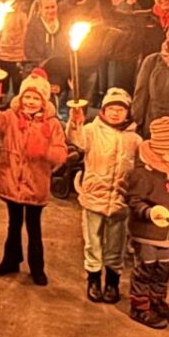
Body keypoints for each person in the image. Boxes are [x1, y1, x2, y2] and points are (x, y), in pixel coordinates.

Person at [0, 69, 69, 285]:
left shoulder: (52, 124)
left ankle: (37, 267)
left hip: (35, 184)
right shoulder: (11, 118)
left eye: (35, 98)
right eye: (27, 97)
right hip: (12, 180)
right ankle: (11, 259)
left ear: (43, 100)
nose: (30, 102)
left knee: (34, 227)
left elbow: (61, 154)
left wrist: (44, 152)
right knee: (14, 223)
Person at [68, 87, 140, 304]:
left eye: (121, 109)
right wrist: (75, 122)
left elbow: (144, 162)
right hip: (94, 195)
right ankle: (93, 279)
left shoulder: (134, 139)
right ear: (103, 110)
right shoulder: (91, 131)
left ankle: (112, 282)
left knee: (115, 244)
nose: (116, 113)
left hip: (119, 199)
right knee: (93, 242)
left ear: (128, 112)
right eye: (111, 108)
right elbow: (76, 139)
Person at [124, 116, 169, 330]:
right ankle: (140, 306)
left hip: (166, 237)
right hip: (147, 233)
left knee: (164, 268)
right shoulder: (144, 175)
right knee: (146, 268)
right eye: (168, 153)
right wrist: (149, 212)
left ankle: (157, 300)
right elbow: (133, 200)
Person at [21, 0, 64, 97]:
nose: (51, 10)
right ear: (40, 9)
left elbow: (66, 49)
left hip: (58, 72)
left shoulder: (63, 24)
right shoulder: (33, 25)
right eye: (47, 7)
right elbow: (28, 49)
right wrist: (42, 64)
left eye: (53, 7)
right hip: (38, 69)